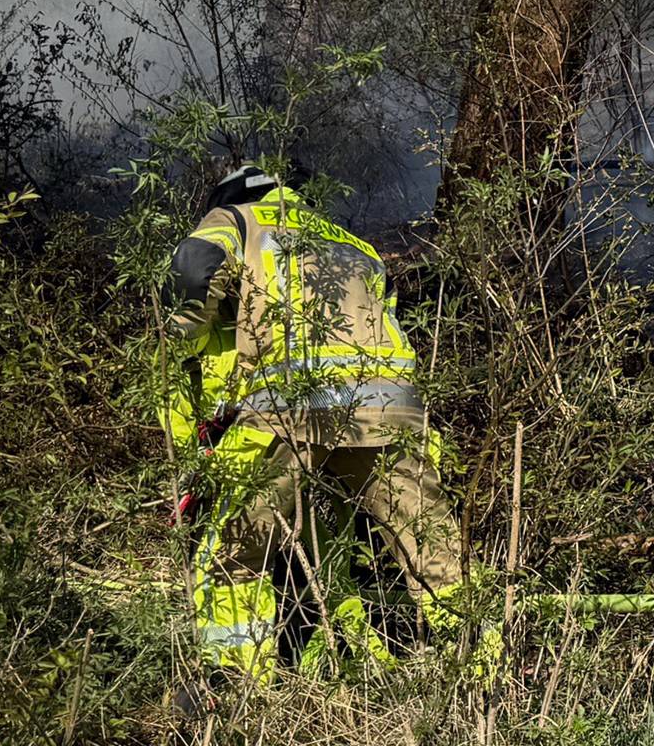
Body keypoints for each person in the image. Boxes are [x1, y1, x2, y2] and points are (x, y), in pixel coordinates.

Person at [163, 164, 472, 682]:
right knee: (438, 558)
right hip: (391, 412)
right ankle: (486, 677)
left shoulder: (237, 218)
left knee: (234, 557)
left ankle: (236, 693)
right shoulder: (354, 242)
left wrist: (179, 336)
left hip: (289, 409)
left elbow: (196, 266)